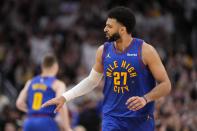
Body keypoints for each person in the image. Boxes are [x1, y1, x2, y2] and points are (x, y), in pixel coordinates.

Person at [42, 6, 171, 131]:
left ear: (122, 29)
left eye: (109, 26)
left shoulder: (145, 50)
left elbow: (166, 84)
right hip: (112, 118)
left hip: (141, 119)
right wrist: (65, 97)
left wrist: (145, 98)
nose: (105, 29)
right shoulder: (103, 51)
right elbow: (92, 81)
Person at [16, 55, 72, 131]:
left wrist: (32, 112)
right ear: (56, 66)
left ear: (42, 66)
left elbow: (19, 103)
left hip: (29, 121)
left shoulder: (30, 82)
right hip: (46, 121)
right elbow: (61, 105)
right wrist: (67, 127)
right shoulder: (58, 84)